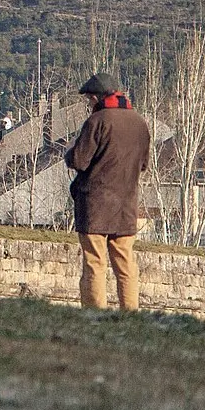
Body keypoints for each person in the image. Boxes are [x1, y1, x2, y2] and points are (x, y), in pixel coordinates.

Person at [65, 74, 151, 311]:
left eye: (88, 101)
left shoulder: (97, 121)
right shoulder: (140, 123)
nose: (88, 105)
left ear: (95, 97)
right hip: (126, 205)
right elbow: (143, 164)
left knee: (95, 263)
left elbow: (79, 161)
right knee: (126, 265)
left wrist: (68, 153)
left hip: (95, 205)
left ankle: (95, 314)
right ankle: (130, 313)